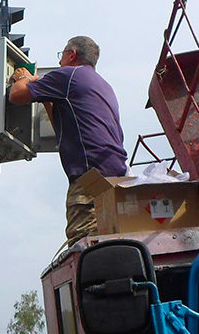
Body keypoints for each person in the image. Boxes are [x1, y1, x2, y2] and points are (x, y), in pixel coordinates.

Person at [8, 35, 128, 241]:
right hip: (116, 176)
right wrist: (46, 100)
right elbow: (65, 127)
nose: (59, 61)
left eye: (61, 55)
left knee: (86, 242)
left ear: (72, 55)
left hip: (90, 177)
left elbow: (16, 95)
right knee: (112, 239)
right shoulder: (102, 84)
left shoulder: (68, 75)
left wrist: (24, 77)